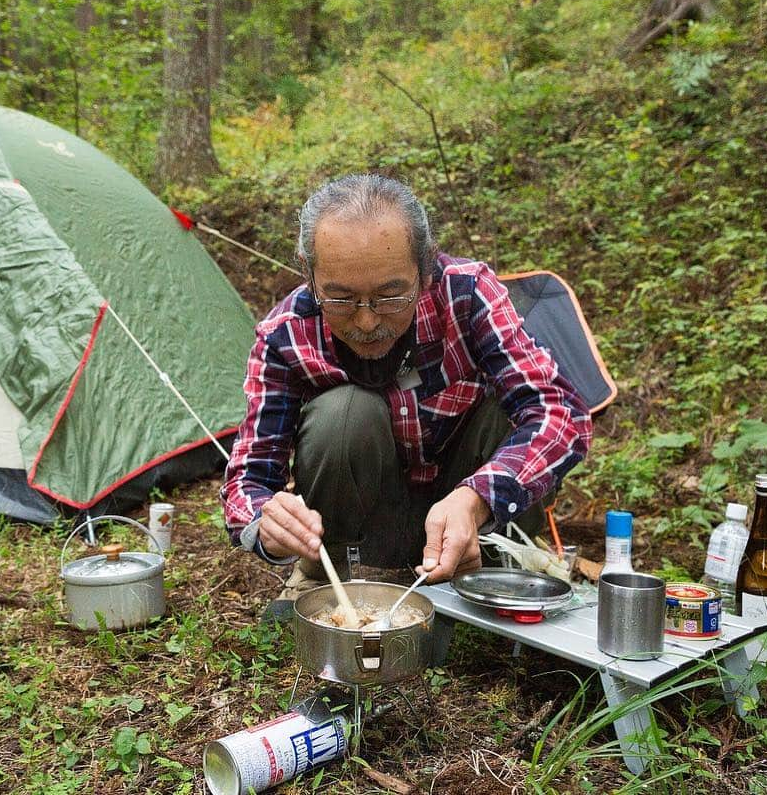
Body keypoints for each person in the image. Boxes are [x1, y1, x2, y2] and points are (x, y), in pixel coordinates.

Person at [221, 174, 592, 604]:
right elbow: (247, 480)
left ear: (427, 268)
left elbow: (561, 412)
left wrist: (477, 497)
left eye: (391, 296)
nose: (367, 322)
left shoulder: (468, 293)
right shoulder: (286, 334)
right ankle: (329, 574)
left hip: (475, 519)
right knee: (342, 414)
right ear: (309, 274)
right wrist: (265, 523)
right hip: (364, 525)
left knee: (506, 411)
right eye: (340, 299)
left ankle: (492, 569)